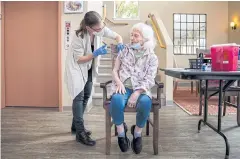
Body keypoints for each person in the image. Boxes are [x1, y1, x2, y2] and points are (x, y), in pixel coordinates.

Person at [65, 11, 124, 146]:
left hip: (90, 68)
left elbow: (117, 36)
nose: (100, 31)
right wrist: (95, 53)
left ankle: (75, 126)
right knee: (78, 98)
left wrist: (120, 42)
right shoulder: (78, 37)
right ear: (88, 27)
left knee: (86, 96)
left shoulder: (100, 29)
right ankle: (80, 133)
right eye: (97, 29)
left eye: (101, 27)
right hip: (77, 68)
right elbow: (79, 59)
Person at [110, 23, 158, 154]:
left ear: (145, 39)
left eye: (136, 36)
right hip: (123, 87)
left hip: (141, 89)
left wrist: (136, 93)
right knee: (116, 101)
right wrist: (119, 82)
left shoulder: (152, 57)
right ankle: (121, 133)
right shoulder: (124, 50)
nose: (132, 38)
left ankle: (137, 132)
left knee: (145, 102)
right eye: (131, 35)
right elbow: (115, 70)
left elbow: (149, 79)